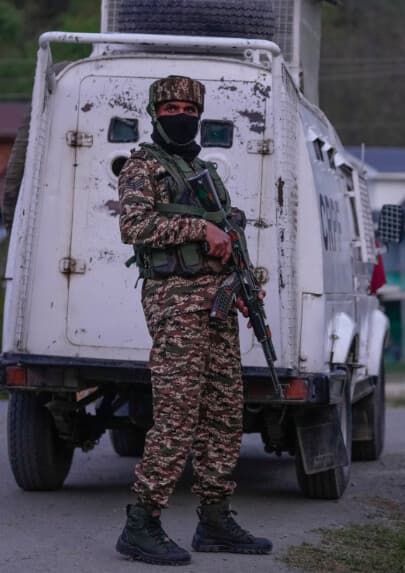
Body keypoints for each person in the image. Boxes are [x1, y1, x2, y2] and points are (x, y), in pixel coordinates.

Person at [115, 75, 272, 566]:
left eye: (188, 107)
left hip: (217, 301)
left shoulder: (203, 171)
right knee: (178, 414)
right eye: (170, 107)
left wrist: (247, 283)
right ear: (155, 112)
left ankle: (215, 518)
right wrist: (197, 227)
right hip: (176, 301)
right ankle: (141, 522)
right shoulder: (143, 167)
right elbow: (133, 225)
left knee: (225, 413)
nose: (180, 114)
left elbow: (230, 234)